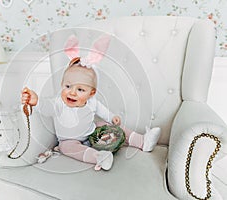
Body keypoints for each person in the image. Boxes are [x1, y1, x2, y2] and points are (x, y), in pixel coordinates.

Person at [21, 35, 161, 171]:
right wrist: (36, 101)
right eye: (68, 86)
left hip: (91, 132)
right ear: (62, 84)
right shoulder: (59, 103)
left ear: (91, 93)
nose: (72, 92)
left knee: (110, 127)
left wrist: (112, 117)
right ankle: (99, 157)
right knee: (68, 149)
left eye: (80, 89)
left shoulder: (92, 102)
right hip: (68, 140)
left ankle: (142, 141)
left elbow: (103, 111)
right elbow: (47, 107)